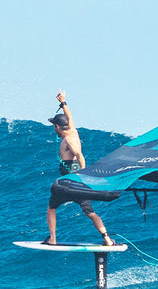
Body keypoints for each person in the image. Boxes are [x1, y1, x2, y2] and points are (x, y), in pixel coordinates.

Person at [44, 90, 115, 246]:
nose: (53, 129)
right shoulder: (72, 130)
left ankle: (53, 239)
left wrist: (84, 173)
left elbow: (79, 154)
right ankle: (107, 239)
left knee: (51, 208)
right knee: (90, 213)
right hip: (76, 181)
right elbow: (69, 117)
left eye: (54, 126)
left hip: (70, 180)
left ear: (57, 126)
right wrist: (63, 102)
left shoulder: (69, 139)